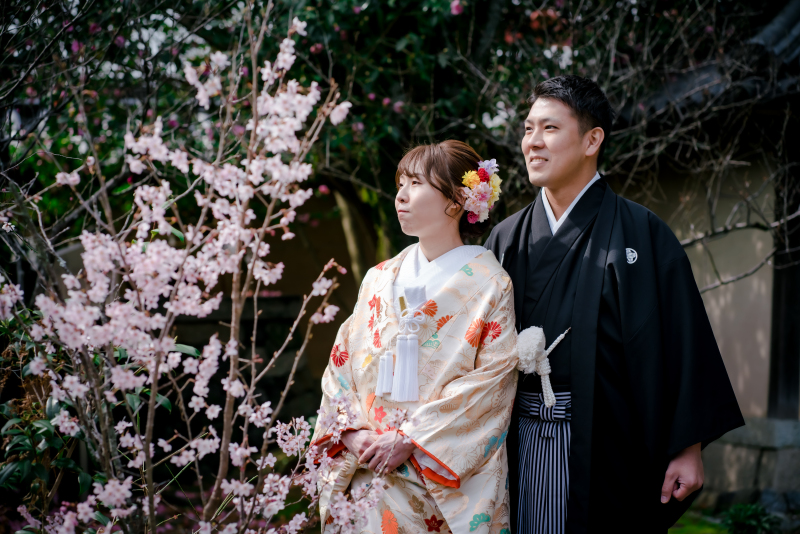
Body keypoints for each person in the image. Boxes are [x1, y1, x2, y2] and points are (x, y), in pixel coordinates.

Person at [483, 75, 745, 534]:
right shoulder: (507, 238)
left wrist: (688, 447)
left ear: (592, 139)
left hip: (607, 443)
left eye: (549, 129)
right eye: (528, 129)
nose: (533, 143)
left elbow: (680, 339)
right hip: (515, 443)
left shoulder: (641, 233)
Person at [311, 140, 518, 533]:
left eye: (416, 183)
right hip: (368, 469)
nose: (400, 196)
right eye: (400, 183)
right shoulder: (378, 278)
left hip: (433, 477)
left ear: (457, 200)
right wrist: (352, 433)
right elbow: (342, 365)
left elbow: (491, 384)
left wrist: (411, 438)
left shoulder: (492, 284)